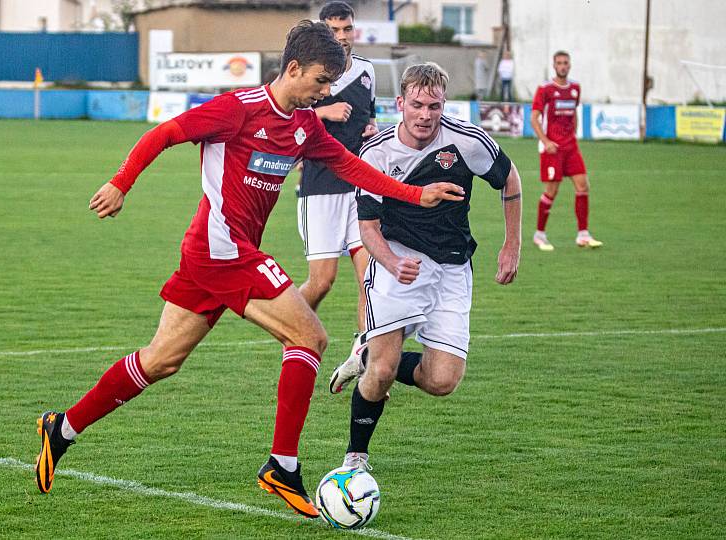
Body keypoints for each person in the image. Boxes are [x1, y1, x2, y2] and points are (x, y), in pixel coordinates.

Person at [33, 20, 463, 519]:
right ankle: (282, 467)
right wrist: (121, 182)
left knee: (161, 360)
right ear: (294, 68)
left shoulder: (303, 126)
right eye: (321, 81)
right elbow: (167, 132)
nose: (325, 92)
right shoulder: (237, 110)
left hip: (212, 254)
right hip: (223, 251)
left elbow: (350, 166)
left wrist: (414, 193)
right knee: (310, 337)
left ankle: (61, 428)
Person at [331, 62, 521, 472]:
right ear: (400, 103)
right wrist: (392, 261)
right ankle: (355, 460)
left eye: (433, 106)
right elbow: (367, 227)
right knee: (382, 371)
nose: (424, 115)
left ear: (443, 104)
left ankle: (366, 355)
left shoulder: (468, 142)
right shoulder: (376, 152)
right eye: (416, 105)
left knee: (442, 380)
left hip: (452, 265)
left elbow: (510, 181)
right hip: (398, 256)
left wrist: (512, 245)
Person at [297, 2, 377, 389]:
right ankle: (292, 333)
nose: (342, 36)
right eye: (335, 30)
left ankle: (363, 356)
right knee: (322, 281)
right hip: (320, 188)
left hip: (359, 188)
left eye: (347, 29)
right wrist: (324, 114)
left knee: (370, 278)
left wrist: (372, 128)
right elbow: (287, 114)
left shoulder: (367, 71)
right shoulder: (308, 74)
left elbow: (370, 113)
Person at [531, 50, 602, 251]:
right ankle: (539, 235)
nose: (562, 66)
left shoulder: (575, 88)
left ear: (569, 65)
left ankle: (583, 234)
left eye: (565, 63)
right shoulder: (544, 89)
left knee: (583, 185)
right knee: (551, 191)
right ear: (554, 66)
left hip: (571, 146)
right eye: (559, 63)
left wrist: (574, 135)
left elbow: (574, 115)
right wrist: (546, 142)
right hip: (552, 148)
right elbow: (534, 118)